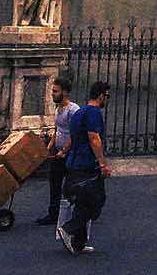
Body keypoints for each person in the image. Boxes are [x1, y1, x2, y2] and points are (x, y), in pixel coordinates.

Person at [60, 80, 111, 256]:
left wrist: (64, 150)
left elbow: (73, 136)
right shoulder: (94, 113)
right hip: (87, 164)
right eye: (106, 96)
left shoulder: (79, 112)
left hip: (74, 163)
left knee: (83, 202)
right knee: (96, 200)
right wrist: (102, 163)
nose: (107, 99)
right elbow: (94, 138)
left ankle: (79, 243)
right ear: (100, 95)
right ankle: (68, 228)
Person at [35, 75, 78, 228]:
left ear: (65, 92)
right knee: (54, 183)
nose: (52, 93)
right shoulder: (58, 108)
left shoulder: (73, 110)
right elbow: (57, 129)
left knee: (70, 186)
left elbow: (75, 133)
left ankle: (72, 215)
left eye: (55, 91)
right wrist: (49, 147)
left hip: (69, 154)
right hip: (58, 151)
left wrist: (65, 150)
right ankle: (53, 214)